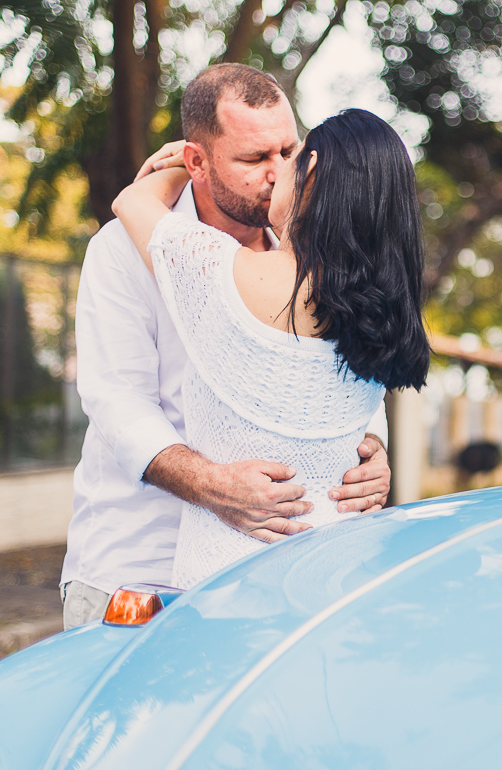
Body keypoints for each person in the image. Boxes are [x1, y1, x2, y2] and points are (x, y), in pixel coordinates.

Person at [60, 65, 393, 627]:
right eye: (253, 158)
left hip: (276, 579)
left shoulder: (316, 253)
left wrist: (372, 450)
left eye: (289, 151)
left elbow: (350, 372)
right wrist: (214, 486)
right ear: (196, 161)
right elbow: (117, 402)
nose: (277, 172)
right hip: (141, 569)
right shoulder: (121, 251)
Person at [112, 107, 430, 588]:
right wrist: (375, 450)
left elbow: (132, 203)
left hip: (226, 585)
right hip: (340, 580)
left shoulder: (223, 271)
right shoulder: (382, 314)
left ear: (314, 172)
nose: (278, 170)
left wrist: (182, 162)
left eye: (292, 155)